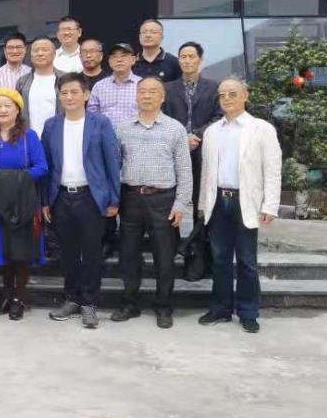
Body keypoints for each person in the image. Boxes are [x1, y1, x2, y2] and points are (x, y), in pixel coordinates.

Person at [198, 79, 282, 334]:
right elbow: (207, 172)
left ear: (245, 96)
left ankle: (248, 312)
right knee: (220, 259)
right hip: (217, 202)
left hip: (245, 201)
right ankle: (220, 309)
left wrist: (270, 205)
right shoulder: (212, 131)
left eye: (232, 94)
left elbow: (273, 169)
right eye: (222, 95)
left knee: (247, 260)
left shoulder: (261, 129)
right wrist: (203, 204)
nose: (227, 98)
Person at [42, 73, 121, 329]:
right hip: (61, 197)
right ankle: (72, 299)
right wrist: (45, 201)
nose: (69, 97)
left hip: (91, 197)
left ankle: (89, 303)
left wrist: (114, 198)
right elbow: (47, 165)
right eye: (64, 93)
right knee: (67, 253)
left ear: (86, 95)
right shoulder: (52, 125)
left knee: (91, 252)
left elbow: (112, 161)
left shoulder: (100, 123)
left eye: (74, 92)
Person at [113, 77, 193, 329]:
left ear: (162, 97)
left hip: (163, 199)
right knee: (129, 255)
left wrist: (180, 204)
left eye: (153, 91)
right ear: (136, 96)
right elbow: (115, 165)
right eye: (142, 91)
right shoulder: (122, 128)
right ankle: (130, 303)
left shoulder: (175, 129)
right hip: (131, 198)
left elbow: (184, 170)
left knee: (164, 256)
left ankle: (164, 306)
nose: (147, 96)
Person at [0, 88, 48, 322]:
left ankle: (19, 298)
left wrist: (11, 178)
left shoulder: (29, 137)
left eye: (7, 105)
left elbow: (42, 167)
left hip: (22, 203)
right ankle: (7, 295)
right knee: (3, 252)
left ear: (18, 110)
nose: (2, 110)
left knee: (21, 252)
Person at [163, 41, 222, 229]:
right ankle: (171, 237)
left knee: (201, 195)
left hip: (202, 147)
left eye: (191, 56)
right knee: (170, 195)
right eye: (183, 57)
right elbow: (162, 116)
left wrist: (196, 135)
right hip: (172, 149)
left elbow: (219, 117)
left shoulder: (214, 87)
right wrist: (182, 137)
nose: (187, 60)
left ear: (200, 60)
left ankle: (199, 239)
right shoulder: (167, 88)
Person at [88, 43, 142, 123]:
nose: (119, 60)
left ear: (133, 60)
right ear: (109, 61)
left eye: (123, 56)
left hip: (135, 130)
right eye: (114, 56)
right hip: (105, 130)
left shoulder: (142, 84)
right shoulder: (99, 86)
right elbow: (91, 115)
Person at [18, 36, 62, 133]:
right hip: (29, 137)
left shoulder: (65, 79)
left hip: (57, 136)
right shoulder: (22, 82)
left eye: (45, 50)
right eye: (36, 50)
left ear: (54, 54)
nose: (40, 53)